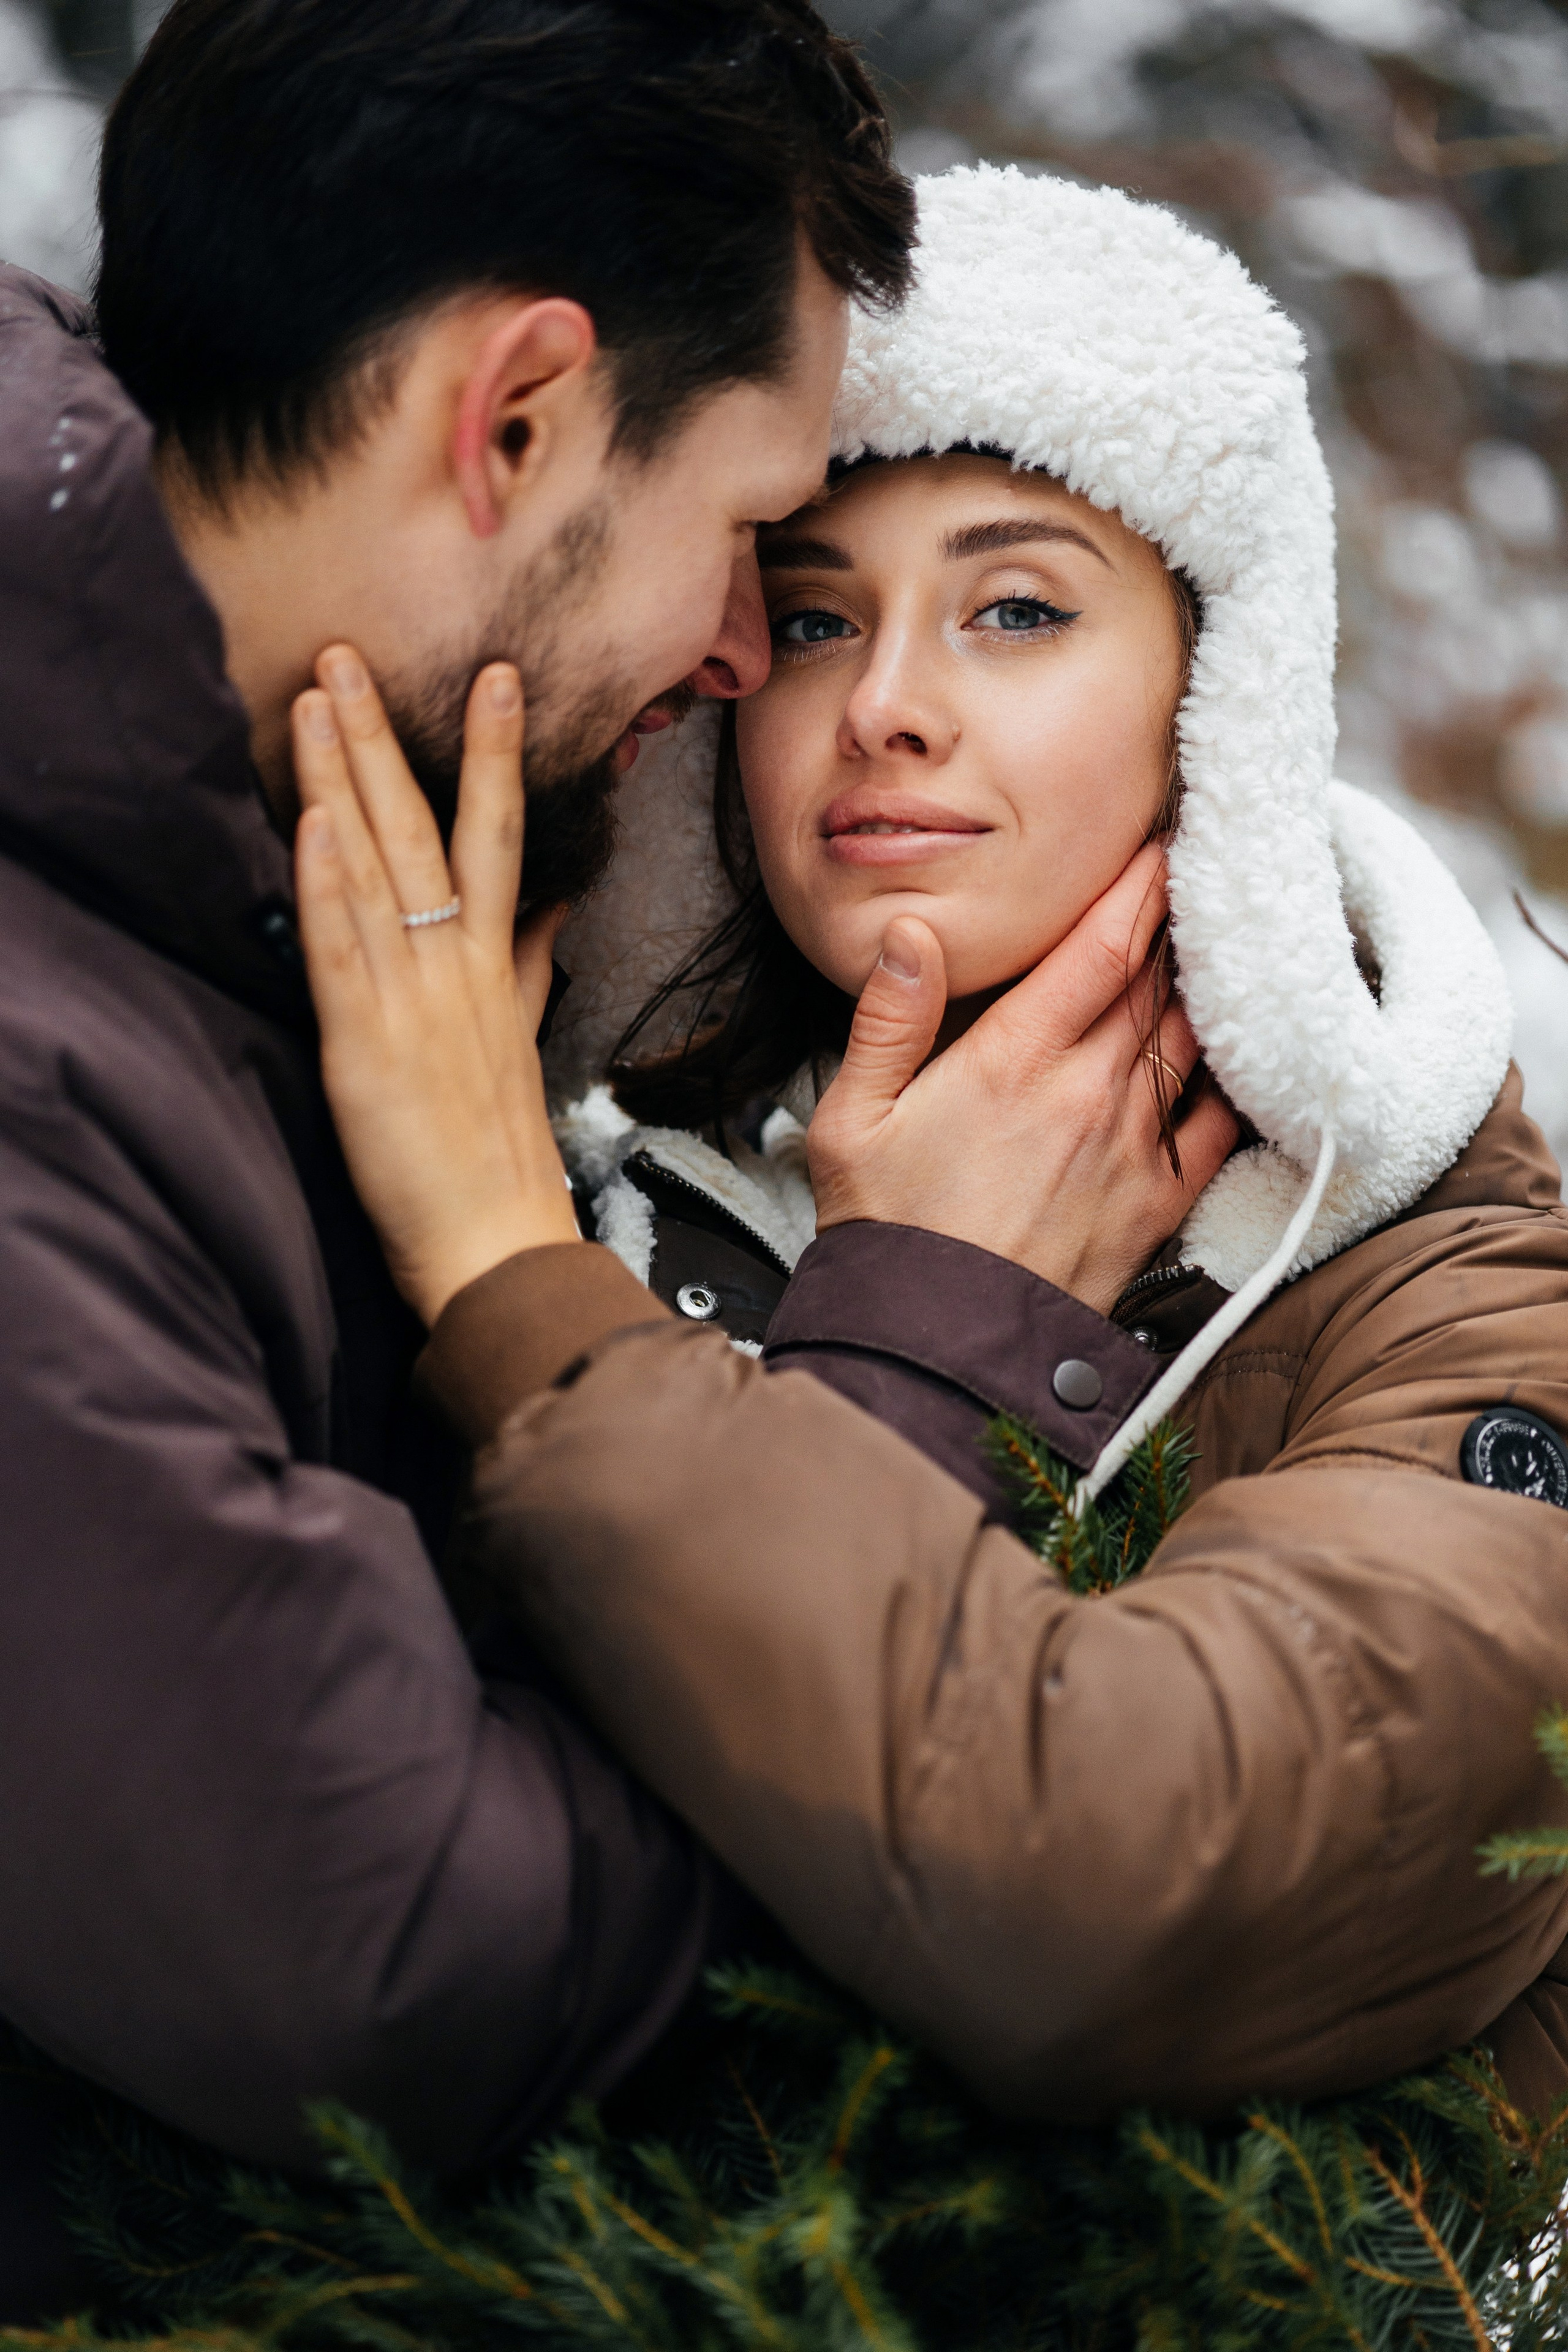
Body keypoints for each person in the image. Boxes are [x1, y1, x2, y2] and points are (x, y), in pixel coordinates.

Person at [298, 168, 1568, 2147]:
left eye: (1017, 608)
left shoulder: (1454, 1296)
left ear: (1220, 703)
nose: (883, 707)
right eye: (813, 617)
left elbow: (1132, 1896)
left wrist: (538, 1281)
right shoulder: (579, 1171)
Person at [0, 0, 921, 2311]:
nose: (741, 653)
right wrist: (921, 1396)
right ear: (508, 418)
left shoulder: (231, 887)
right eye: (746, 535)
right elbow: (385, 1965)